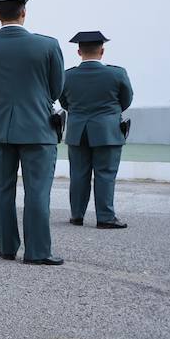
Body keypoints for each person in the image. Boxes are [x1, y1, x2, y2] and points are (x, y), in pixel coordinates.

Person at [0, 0, 65, 264]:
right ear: (24, 12)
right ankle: (37, 251)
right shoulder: (47, 46)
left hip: (0, 127)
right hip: (38, 127)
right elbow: (56, 88)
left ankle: (7, 247)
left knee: (1, 190)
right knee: (37, 191)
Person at [60, 31, 133, 229]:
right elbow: (126, 100)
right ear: (102, 51)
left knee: (78, 174)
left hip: (77, 131)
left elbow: (64, 102)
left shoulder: (67, 76)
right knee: (105, 174)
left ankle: (77, 215)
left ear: (79, 52)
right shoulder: (117, 74)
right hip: (107, 131)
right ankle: (105, 217)